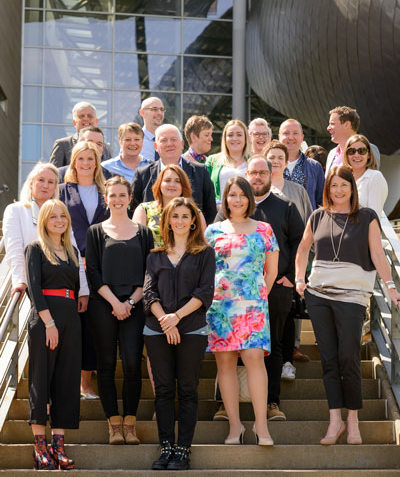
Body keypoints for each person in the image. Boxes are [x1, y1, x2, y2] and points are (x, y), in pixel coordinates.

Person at [295, 165, 400, 446]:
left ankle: (353, 420)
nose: (338, 190)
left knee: (349, 357)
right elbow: (303, 248)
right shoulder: (318, 216)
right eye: (334, 185)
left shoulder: (367, 216)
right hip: (319, 295)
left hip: (353, 297)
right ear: (327, 189)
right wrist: (299, 279)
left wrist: (390, 286)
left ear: (352, 188)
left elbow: (377, 253)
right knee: (328, 359)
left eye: (344, 185)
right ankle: (335, 421)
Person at [213, 157, 304, 422]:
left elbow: (300, 242)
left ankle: (271, 402)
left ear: (270, 174)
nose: (258, 176)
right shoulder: (229, 209)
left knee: (272, 346)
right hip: (232, 298)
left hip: (275, 288)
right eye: (253, 172)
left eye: (263, 172)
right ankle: (224, 404)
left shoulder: (285, 206)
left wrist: (291, 277)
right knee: (230, 348)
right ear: (247, 174)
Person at [143, 197, 215, 470]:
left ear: (194, 221)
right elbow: (149, 293)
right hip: (157, 330)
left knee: (187, 389)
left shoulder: (205, 254)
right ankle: (166, 448)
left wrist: (177, 318)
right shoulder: (155, 255)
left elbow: (205, 292)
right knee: (162, 390)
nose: (180, 221)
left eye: (185, 216)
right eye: (175, 216)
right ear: (167, 221)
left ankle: (183, 450)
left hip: (192, 328)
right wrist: (166, 321)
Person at [206, 176, 279, 446]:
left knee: (254, 358)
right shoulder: (212, 231)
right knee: (225, 363)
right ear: (225, 199)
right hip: (221, 306)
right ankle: (235, 427)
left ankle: (261, 426)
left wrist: (257, 297)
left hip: (253, 306)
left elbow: (271, 271)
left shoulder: (264, 230)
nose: (237, 200)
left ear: (250, 198)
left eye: (242, 195)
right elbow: (204, 270)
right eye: (232, 195)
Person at [85, 176, 153, 445]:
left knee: (133, 363)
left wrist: (131, 303)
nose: (117, 200)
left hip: (135, 305)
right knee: (106, 364)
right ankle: (113, 423)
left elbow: (149, 273)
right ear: (106, 199)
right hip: (104, 304)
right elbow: (92, 271)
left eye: (121, 195)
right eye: (112, 195)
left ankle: (130, 424)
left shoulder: (144, 233)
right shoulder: (95, 231)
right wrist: (115, 303)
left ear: (130, 198)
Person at [25, 199, 83, 470]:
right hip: (46, 319)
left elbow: (76, 287)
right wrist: (49, 323)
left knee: (67, 381)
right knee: (41, 379)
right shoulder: (35, 249)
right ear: (44, 221)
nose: (59, 220)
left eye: (63, 216)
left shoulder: (72, 251)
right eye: (53, 216)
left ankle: (58, 447)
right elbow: (34, 289)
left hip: (71, 317)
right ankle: (40, 447)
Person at [60, 141, 109, 399]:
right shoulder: (63, 191)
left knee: (92, 327)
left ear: (97, 162)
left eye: (91, 159)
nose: (86, 163)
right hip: (69, 264)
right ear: (74, 162)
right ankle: (66, 382)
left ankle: (86, 384)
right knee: (71, 325)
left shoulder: (106, 191)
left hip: (100, 265)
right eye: (82, 158)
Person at [3, 162, 89, 301]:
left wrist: (83, 290)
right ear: (31, 183)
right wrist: (20, 281)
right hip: (29, 284)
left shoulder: (61, 214)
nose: (45, 185)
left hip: (58, 287)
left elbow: (73, 252)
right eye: (41, 180)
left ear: (55, 187)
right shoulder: (16, 210)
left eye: (50, 182)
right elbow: (14, 250)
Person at [265, 140, 313, 373]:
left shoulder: (298, 191)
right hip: (260, 269)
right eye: (271, 157)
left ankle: (287, 362)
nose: (275, 161)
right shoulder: (254, 190)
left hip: (287, 268)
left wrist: (295, 273)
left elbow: (306, 233)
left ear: (286, 163)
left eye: (279, 158)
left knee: (287, 317)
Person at [132, 124, 217, 225]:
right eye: (164, 140)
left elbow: (210, 211)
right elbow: (133, 210)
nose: (169, 144)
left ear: (182, 144)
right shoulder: (143, 174)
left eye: (173, 139)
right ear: (156, 146)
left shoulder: (200, 172)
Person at [133, 164, 206, 247]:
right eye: (167, 180)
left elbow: (203, 244)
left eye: (177, 181)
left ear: (183, 186)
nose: (172, 184)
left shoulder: (195, 212)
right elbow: (136, 244)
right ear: (159, 184)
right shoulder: (144, 209)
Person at [278, 118, 325, 210]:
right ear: (279, 137)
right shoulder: (269, 166)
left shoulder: (315, 167)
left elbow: (322, 201)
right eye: (286, 133)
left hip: (307, 219)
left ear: (302, 138)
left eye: (295, 133)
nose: (291, 137)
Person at [50, 101, 112, 167]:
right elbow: (54, 172)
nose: (86, 118)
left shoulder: (106, 148)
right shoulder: (62, 145)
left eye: (90, 116)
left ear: (96, 121)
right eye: (81, 116)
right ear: (74, 122)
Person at [326, 106, 380, 176]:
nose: (328, 128)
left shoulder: (369, 149)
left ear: (347, 124)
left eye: (332, 123)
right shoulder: (332, 153)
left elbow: (372, 179)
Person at [342, 134, 388, 216]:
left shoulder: (375, 177)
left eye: (362, 151)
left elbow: (374, 216)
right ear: (347, 155)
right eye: (351, 151)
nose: (356, 155)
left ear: (369, 155)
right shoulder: (343, 178)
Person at [206, 119, 249, 203]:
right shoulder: (212, 161)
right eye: (230, 135)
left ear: (245, 138)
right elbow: (205, 190)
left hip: (247, 209)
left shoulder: (253, 161)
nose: (235, 138)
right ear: (225, 139)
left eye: (239, 135)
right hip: (219, 209)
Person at [139, 96, 165, 161]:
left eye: (162, 109)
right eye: (154, 109)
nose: (159, 113)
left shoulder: (169, 141)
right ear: (142, 112)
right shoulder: (134, 142)